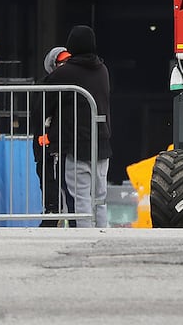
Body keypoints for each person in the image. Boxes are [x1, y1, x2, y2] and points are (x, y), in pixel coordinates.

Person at [43, 25, 112, 227]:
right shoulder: (103, 70)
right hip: (102, 143)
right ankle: (102, 234)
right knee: (100, 198)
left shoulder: (65, 74)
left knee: (81, 198)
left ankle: (86, 238)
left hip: (76, 145)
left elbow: (45, 100)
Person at [35, 45, 72, 226]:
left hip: (65, 145)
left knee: (69, 183)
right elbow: (40, 113)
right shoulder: (46, 85)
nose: (66, 65)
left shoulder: (74, 86)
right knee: (49, 180)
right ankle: (51, 216)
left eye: (68, 61)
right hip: (48, 144)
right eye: (61, 62)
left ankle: (73, 221)